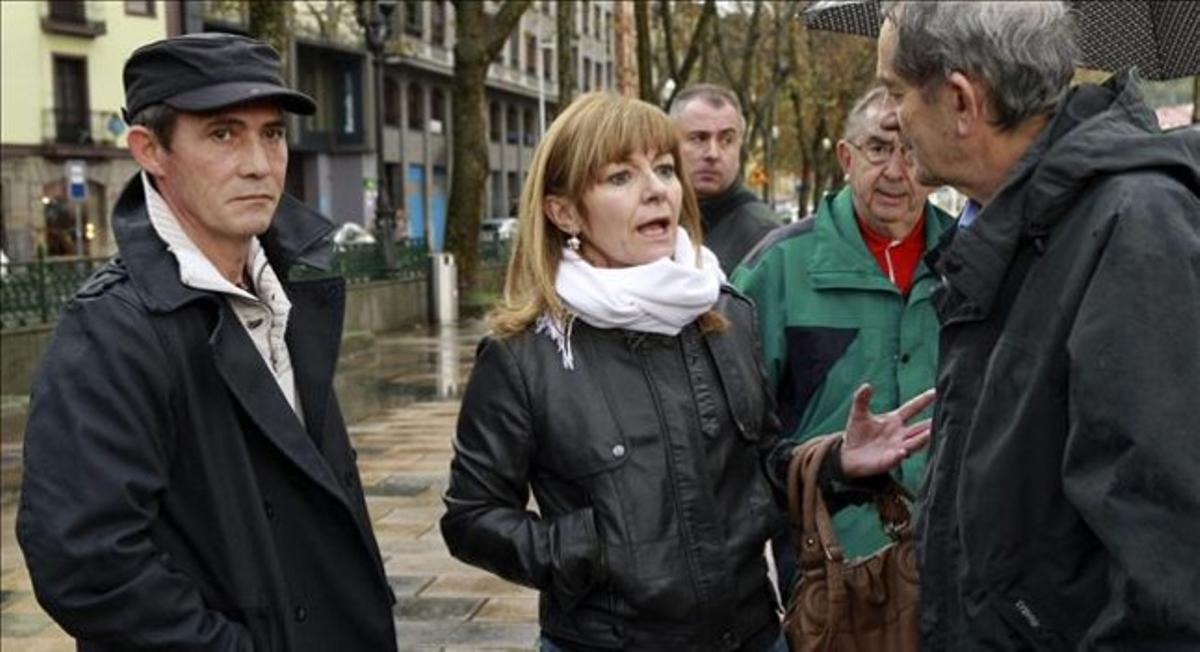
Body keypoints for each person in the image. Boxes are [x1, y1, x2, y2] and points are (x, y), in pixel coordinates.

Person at [439, 91, 935, 652]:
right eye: (621, 177)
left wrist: (836, 461)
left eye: (664, 169)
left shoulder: (725, 314)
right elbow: (471, 518)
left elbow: (762, 466)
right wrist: (589, 547)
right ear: (565, 212)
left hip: (751, 635)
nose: (656, 189)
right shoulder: (522, 355)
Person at [16, 33, 397, 650]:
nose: (259, 163)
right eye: (223, 133)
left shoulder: (292, 284)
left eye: (271, 133)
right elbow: (86, 564)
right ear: (150, 150)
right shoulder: (113, 328)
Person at [876, 2, 1200, 648]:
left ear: (964, 103)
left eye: (896, 92)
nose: (890, 118)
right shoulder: (1014, 224)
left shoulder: (1134, 226)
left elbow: (1166, 575)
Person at [732, 86, 953, 596]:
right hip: (831, 573)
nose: (897, 171)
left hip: (954, 566)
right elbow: (733, 430)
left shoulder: (970, 260)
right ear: (845, 157)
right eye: (878, 148)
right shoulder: (779, 267)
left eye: (912, 150)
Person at [669, 84, 778, 275]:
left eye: (726, 140)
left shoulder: (762, 235)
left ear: (740, 145)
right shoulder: (651, 215)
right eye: (698, 138)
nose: (713, 154)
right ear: (670, 142)